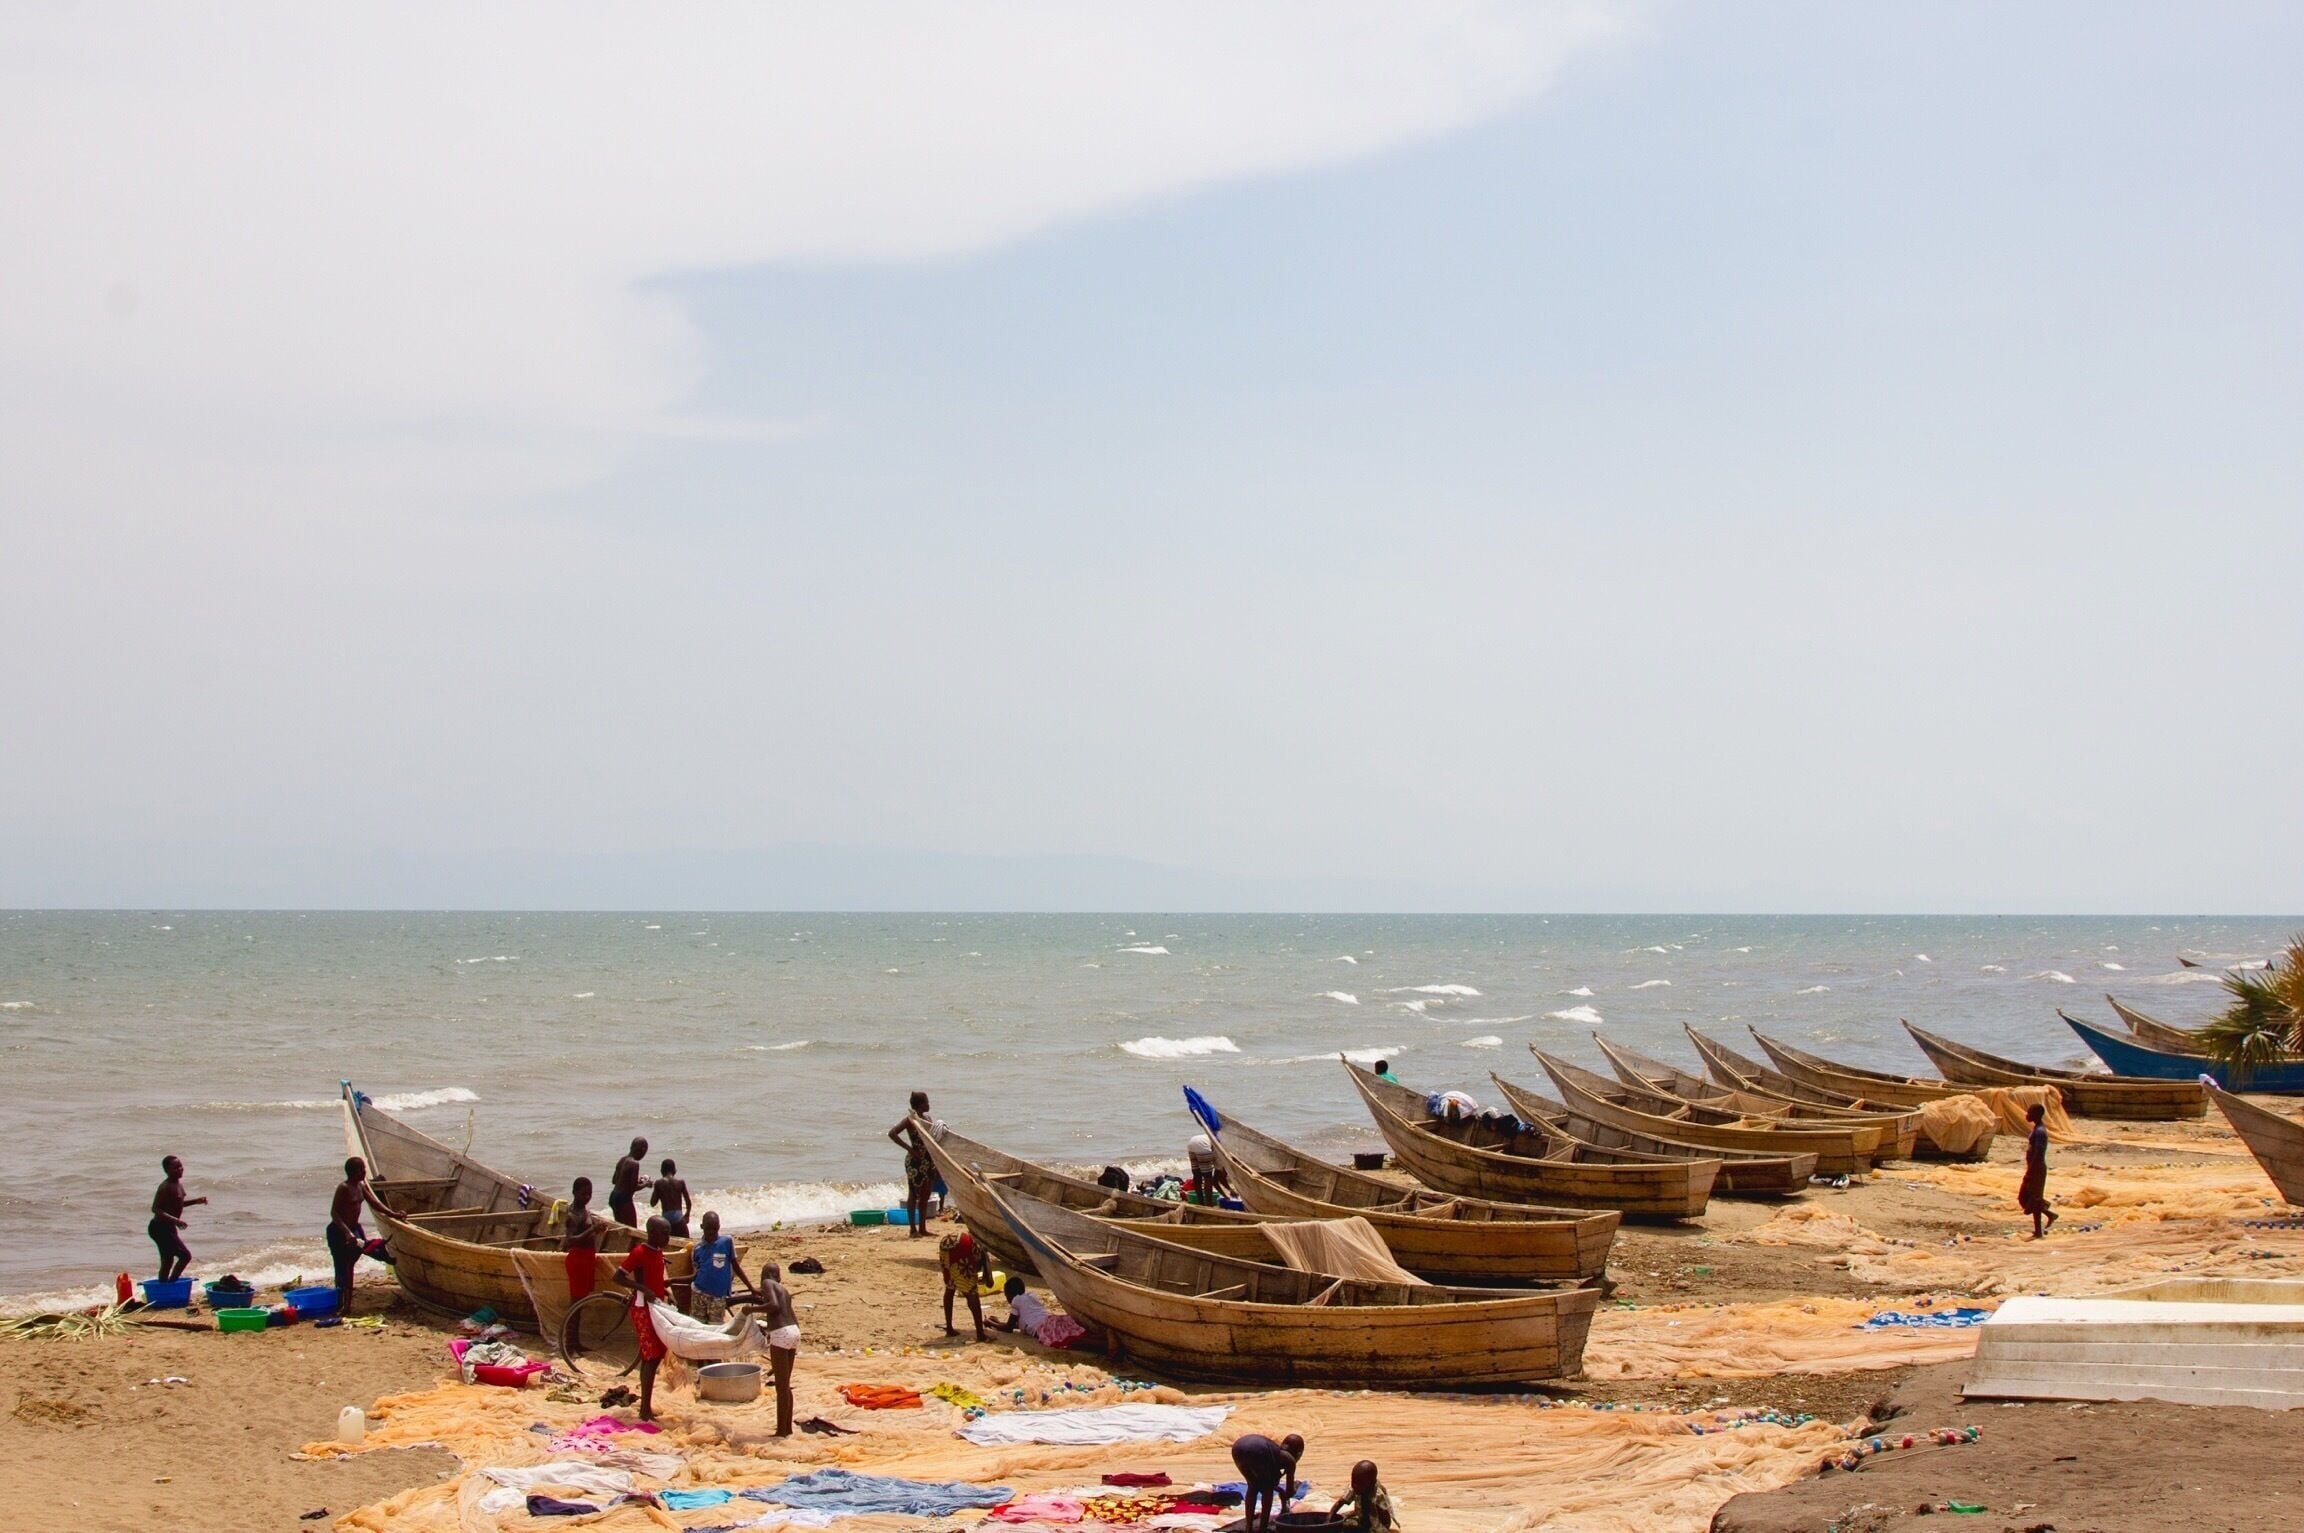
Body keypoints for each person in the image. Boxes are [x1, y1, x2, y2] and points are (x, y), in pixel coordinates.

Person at [614, 1215, 673, 1421]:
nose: (668, 1236)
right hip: (642, 1308)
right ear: (652, 1233)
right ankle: (644, 1409)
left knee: (656, 1355)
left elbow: (658, 1276)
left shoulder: (658, 1251)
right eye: (664, 1233)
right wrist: (642, 1288)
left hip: (657, 1307)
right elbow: (618, 1276)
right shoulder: (639, 1252)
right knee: (651, 1357)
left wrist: (667, 1292)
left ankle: (646, 1404)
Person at [329, 1157, 393, 1313]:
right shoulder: (343, 1188)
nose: (365, 1172)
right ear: (354, 1172)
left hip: (354, 1229)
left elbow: (374, 1203)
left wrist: (394, 1214)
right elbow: (335, 1213)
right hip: (339, 1231)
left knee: (362, 1251)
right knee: (343, 1267)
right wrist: (347, 1233)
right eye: (362, 1169)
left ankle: (383, 1254)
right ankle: (343, 1305)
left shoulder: (360, 1186)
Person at [749, 1259, 802, 1437]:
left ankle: (781, 1430)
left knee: (781, 1388)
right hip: (794, 1332)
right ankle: (787, 1428)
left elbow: (773, 1306)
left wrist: (750, 1310)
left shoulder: (767, 1283)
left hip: (781, 1333)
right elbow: (787, 1311)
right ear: (779, 1277)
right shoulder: (784, 1291)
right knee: (786, 1384)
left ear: (765, 1275)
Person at [1230, 1431, 1305, 1533]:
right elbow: (1288, 1492)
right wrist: (1292, 1490)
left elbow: (1265, 1480)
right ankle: (1263, 1528)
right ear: (1299, 1453)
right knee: (1267, 1491)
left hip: (1238, 1449)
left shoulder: (1274, 1454)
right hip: (1257, 1450)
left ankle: (1249, 1527)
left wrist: (1276, 1485)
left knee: (1253, 1486)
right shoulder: (1289, 1459)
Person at [148, 1155, 205, 1281]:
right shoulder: (165, 1187)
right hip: (159, 1228)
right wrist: (177, 1221)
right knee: (185, 1256)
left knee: (167, 1259)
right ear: (167, 1170)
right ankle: (171, 1285)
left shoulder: (178, 1184)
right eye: (175, 1168)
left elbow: (177, 1204)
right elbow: (155, 1209)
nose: (180, 1169)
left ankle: (164, 1289)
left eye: (180, 1166)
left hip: (168, 1227)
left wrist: (196, 1201)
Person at [688, 1210, 751, 1323]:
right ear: (702, 1227)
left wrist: (751, 1288)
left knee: (716, 1326)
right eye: (708, 1229)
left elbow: (736, 1267)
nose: (712, 1232)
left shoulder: (726, 1242)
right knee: (697, 1326)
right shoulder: (697, 1248)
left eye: (715, 1229)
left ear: (719, 1227)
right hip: (699, 1293)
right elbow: (696, 1273)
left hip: (718, 1296)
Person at [887, 1092, 935, 1238]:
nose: (928, 1104)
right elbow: (892, 1133)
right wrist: (910, 1149)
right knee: (914, 1194)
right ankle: (913, 1229)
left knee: (925, 1195)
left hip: (928, 1160)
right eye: (926, 1102)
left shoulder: (927, 1119)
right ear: (919, 1105)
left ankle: (922, 1228)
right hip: (915, 1161)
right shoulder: (910, 1120)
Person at [997, 1274, 1090, 1349]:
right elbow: (1019, 1324)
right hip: (1050, 1319)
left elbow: (1009, 1328)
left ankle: (1099, 1345)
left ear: (1010, 1295)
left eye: (1006, 1296)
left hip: (1043, 1327)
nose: (1007, 1299)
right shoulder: (1031, 1296)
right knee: (1074, 1334)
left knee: (1072, 1341)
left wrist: (991, 1323)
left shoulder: (1016, 1301)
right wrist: (998, 1322)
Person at [939, 1228, 993, 1340]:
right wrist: (970, 1293)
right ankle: (980, 1334)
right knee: (972, 1293)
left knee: (950, 1288)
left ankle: (949, 1328)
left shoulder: (976, 1247)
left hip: (946, 1244)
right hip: (962, 1248)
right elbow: (989, 1282)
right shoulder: (980, 1254)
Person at [2019, 1102, 2057, 1238]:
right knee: (2033, 1199)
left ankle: (2047, 1211)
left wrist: (2031, 1171)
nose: (2027, 1115)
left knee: (2024, 1198)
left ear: (2036, 1114)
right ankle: (2039, 1229)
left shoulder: (2040, 1131)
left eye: (2029, 1112)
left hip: (2037, 1169)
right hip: (2034, 1168)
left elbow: (2038, 1153)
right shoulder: (2037, 1129)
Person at [562, 1176, 603, 1301]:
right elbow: (570, 1240)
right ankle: (571, 1321)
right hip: (578, 1260)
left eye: (589, 1194)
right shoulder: (573, 1215)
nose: (587, 1197)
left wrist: (597, 1230)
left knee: (582, 1297)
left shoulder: (582, 1209)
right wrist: (592, 1230)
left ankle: (575, 1320)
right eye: (583, 1194)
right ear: (574, 1193)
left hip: (587, 1258)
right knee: (577, 1299)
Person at [1331, 1460, 1400, 1533]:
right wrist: (1328, 1519)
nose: (1354, 1485)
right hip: (1361, 1515)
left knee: (1348, 1527)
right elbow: (1339, 1503)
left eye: (1359, 1483)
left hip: (1377, 1525)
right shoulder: (1355, 1487)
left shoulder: (1377, 1496)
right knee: (1339, 1519)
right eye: (1353, 1481)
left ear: (1371, 1484)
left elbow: (1385, 1519)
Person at [610, 1137, 651, 1227]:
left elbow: (614, 1181)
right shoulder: (634, 1163)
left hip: (614, 1197)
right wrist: (646, 1184)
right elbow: (633, 1188)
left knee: (620, 1227)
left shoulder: (622, 1160)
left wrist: (638, 1181)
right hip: (623, 1199)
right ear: (642, 1150)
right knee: (632, 1227)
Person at [1186, 1135, 1234, 1205]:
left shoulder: (1218, 1143)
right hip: (1203, 1146)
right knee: (1208, 1177)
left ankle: (1201, 1202)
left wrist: (1226, 1195)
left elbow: (1217, 1181)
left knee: (1197, 1176)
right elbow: (1218, 1180)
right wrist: (1230, 1191)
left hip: (1192, 1142)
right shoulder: (1221, 1159)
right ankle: (1209, 1204)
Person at [650, 1158, 690, 1239]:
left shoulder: (659, 1183)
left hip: (666, 1219)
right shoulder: (680, 1182)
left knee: (667, 1243)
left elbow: (652, 1203)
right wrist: (687, 1215)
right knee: (686, 1241)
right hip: (679, 1218)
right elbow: (688, 1201)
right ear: (675, 1171)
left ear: (661, 1171)